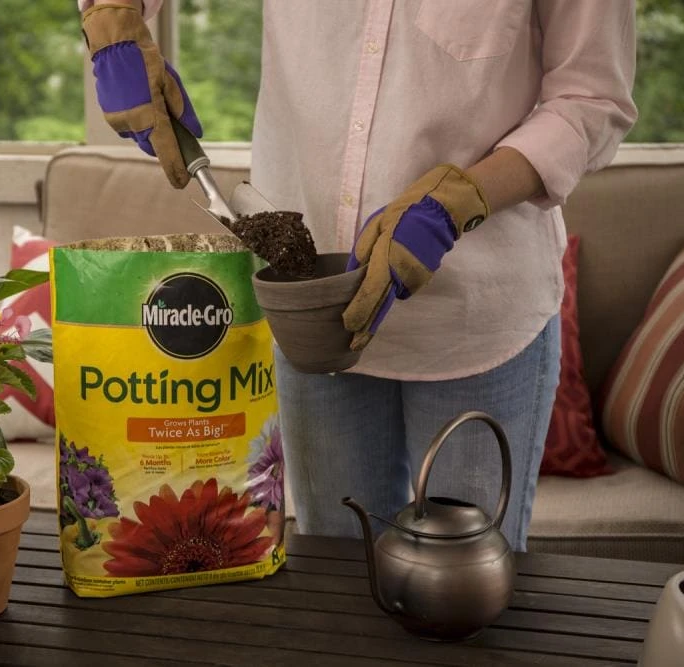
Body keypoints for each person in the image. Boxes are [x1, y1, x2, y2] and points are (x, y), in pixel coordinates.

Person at [78, 0, 637, 550]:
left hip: (477, 316)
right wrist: (114, 18)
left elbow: (591, 99)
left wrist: (464, 197)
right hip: (310, 315)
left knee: (464, 585)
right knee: (334, 581)